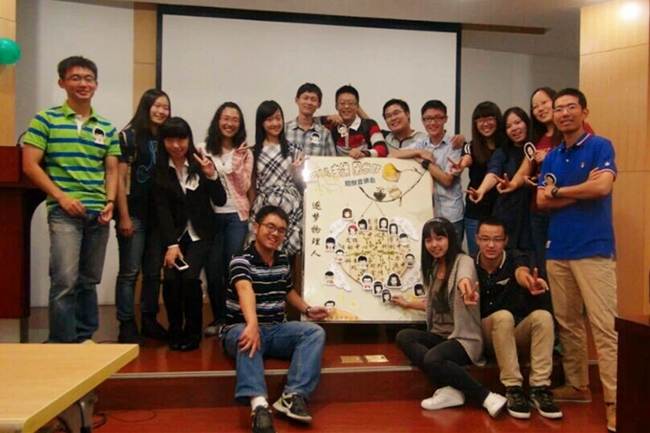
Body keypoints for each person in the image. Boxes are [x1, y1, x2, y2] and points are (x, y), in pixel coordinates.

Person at [22, 56, 120, 343]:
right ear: (62, 83)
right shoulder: (45, 119)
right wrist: (60, 196)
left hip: (98, 213)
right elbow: (30, 165)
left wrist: (111, 202)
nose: (83, 83)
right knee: (64, 280)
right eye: (76, 78)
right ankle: (61, 343)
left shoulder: (106, 127)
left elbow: (112, 170)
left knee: (88, 281)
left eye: (88, 79)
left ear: (96, 85)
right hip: (64, 211)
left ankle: (84, 338)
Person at [537, 88, 618, 433]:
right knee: (568, 323)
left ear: (584, 112)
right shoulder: (553, 156)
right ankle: (578, 385)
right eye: (559, 109)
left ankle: (616, 403)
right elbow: (541, 201)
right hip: (558, 250)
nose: (564, 113)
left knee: (604, 328)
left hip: (594, 249)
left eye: (571, 107)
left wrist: (560, 192)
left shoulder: (600, 146)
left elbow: (602, 189)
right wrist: (577, 191)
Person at [220, 205, 329, 433]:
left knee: (314, 332)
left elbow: (287, 291)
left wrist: (308, 309)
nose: (275, 234)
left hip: (276, 329)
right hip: (240, 328)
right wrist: (252, 324)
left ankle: (293, 395)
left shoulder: (281, 260)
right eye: (270, 227)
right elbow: (244, 290)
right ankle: (259, 406)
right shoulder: (240, 260)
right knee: (245, 334)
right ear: (256, 227)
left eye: (281, 230)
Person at [391, 217, 506, 417]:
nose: (434, 245)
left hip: (463, 338)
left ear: (450, 239)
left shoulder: (464, 261)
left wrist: (466, 292)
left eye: (439, 238)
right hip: (440, 335)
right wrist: (407, 303)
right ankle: (450, 389)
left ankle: (487, 397)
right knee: (404, 336)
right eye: (429, 240)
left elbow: (464, 280)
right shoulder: (434, 268)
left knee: (433, 358)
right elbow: (433, 304)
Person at [475, 217, 561, 420]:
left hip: (512, 334)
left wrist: (528, 281)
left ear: (505, 240)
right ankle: (513, 388)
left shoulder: (514, 257)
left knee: (543, 317)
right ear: (476, 239)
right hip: (484, 335)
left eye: (497, 239)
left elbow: (521, 272)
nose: (491, 245)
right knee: (503, 317)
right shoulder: (469, 264)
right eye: (485, 239)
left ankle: (539, 388)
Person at [152, 117, 227, 351]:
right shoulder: (160, 169)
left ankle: (193, 333)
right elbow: (162, 210)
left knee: (190, 278)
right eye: (170, 140)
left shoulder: (201, 162)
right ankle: (175, 329)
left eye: (181, 139)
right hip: (173, 236)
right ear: (163, 142)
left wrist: (212, 175)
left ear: (189, 139)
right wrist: (171, 244)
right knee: (171, 279)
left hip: (200, 234)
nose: (176, 145)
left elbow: (220, 199)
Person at [113, 88, 171, 345]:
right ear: (146, 107)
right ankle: (126, 323)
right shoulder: (128, 136)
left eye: (165, 107)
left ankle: (149, 319)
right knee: (129, 272)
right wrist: (123, 216)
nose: (161, 111)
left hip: (158, 217)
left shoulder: (167, 138)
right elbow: (120, 179)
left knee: (153, 272)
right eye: (156, 106)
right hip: (133, 214)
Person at [197, 102, 253, 337]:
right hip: (210, 218)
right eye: (226, 118)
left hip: (236, 217)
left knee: (233, 269)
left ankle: (234, 318)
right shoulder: (202, 149)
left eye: (235, 120)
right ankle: (219, 317)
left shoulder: (245, 152)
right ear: (217, 120)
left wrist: (236, 162)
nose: (230, 123)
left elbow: (245, 187)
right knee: (212, 269)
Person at [391, 100, 464, 243]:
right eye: (428, 119)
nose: (433, 123)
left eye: (438, 118)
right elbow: (391, 156)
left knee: (453, 254)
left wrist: (424, 163)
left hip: (451, 214)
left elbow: (447, 180)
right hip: (425, 214)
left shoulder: (455, 144)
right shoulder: (421, 144)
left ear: (445, 119)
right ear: (422, 121)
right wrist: (418, 152)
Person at [466, 107, 532, 253]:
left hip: (535, 213)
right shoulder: (502, 152)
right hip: (509, 214)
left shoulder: (538, 148)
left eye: (517, 122)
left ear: (527, 123)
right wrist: (481, 190)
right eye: (508, 126)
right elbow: (493, 172)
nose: (514, 128)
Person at [249, 101, 305, 257]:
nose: (275, 123)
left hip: (291, 205)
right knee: (263, 250)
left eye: (278, 118)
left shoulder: (294, 149)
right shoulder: (253, 151)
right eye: (269, 119)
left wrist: (296, 171)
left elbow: (302, 184)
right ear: (261, 123)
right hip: (264, 204)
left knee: (291, 254)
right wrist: (250, 210)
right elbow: (252, 185)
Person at [449, 102, 505, 257]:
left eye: (489, 118)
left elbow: (495, 170)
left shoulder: (506, 147)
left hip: (502, 210)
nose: (485, 123)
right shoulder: (470, 146)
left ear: (497, 119)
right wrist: (461, 165)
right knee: (477, 258)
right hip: (476, 211)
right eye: (480, 120)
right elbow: (467, 158)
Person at [377, 98, 464, 154]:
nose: (393, 118)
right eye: (388, 116)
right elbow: (370, 125)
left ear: (407, 114)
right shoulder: (382, 139)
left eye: (396, 113)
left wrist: (461, 139)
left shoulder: (424, 140)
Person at [326, 85, 387, 158]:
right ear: (336, 107)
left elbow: (382, 150)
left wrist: (364, 154)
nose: (346, 106)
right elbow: (313, 121)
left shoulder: (369, 125)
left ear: (357, 107)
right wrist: (327, 118)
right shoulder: (331, 125)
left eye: (351, 103)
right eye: (342, 103)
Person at [285, 83, 337, 156]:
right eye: (305, 98)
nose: (309, 102)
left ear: (319, 104)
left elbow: (332, 161)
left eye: (313, 99)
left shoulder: (325, 133)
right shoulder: (284, 129)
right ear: (297, 100)